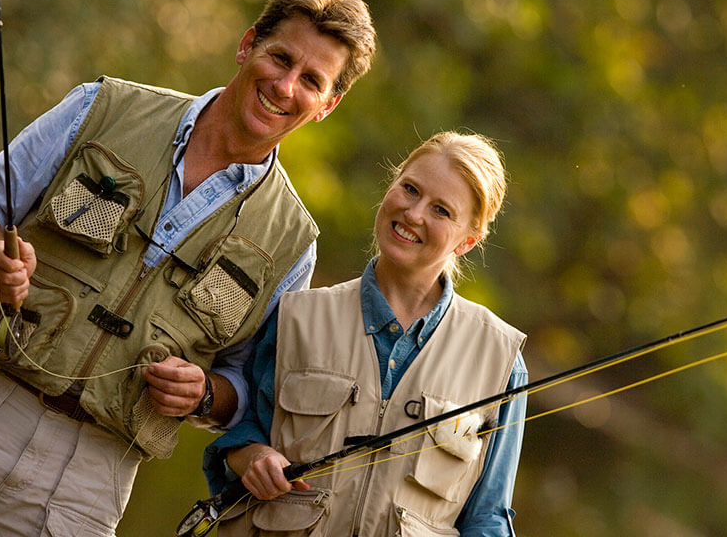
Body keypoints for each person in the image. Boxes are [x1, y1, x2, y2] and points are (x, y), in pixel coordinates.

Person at [0, 0, 376, 536]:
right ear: (247, 46)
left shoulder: (293, 243)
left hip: (88, 483)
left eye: (311, 80)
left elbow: (246, 387)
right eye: (280, 58)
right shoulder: (105, 106)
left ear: (328, 105)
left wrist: (204, 392)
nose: (285, 86)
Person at [203, 132, 529, 536]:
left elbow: (487, 517)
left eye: (441, 210)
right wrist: (252, 457)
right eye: (409, 189)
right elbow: (239, 430)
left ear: (469, 241)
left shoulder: (501, 361)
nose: (413, 214)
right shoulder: (295, 316)